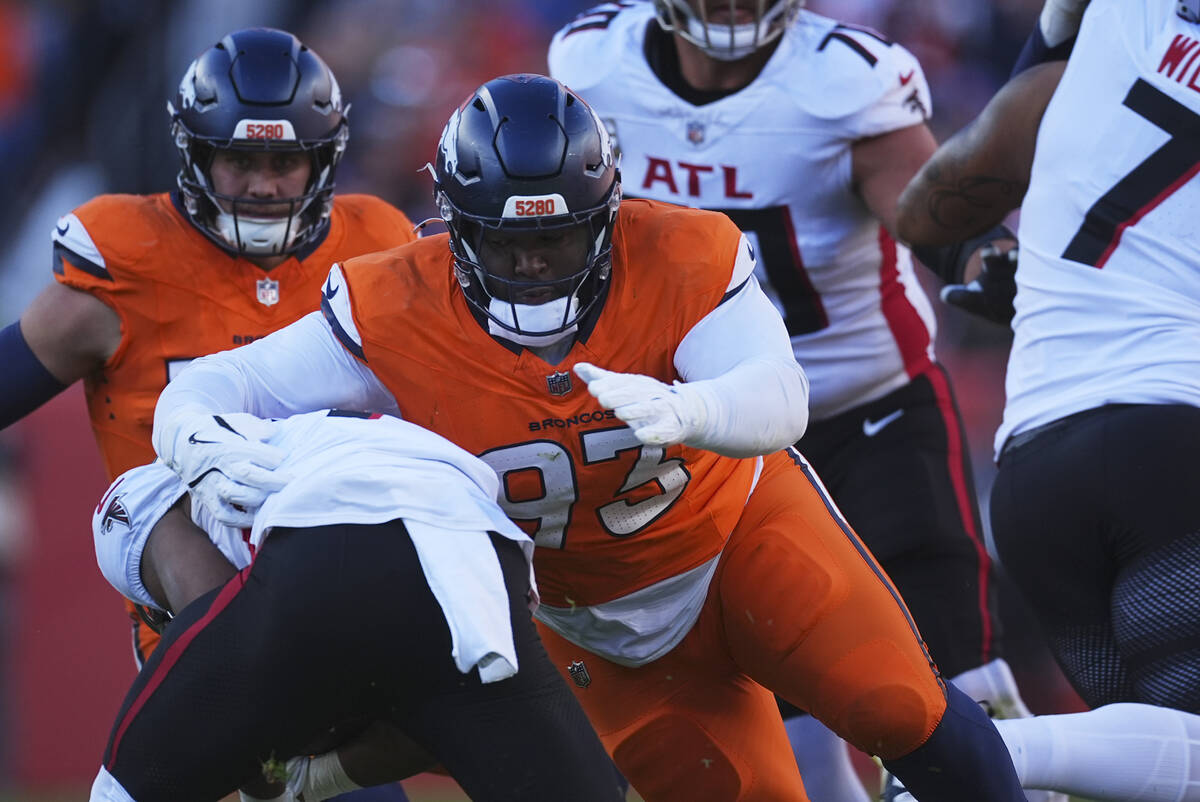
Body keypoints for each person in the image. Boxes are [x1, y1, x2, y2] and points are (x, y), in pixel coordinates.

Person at [149, 72, 1027, 802]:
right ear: (457, 229)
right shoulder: (391, 302)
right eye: (507, 242)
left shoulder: (683, 251)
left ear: (607, 215)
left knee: (898, 706)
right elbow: (222, 383)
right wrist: (195, 437)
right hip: (595, 624)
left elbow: (781, 397)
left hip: (744, 538)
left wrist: (693, 413)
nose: (533, 265)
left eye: (559, 238)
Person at [546, 4, 1040, 800]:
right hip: (714, 431)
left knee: (956, 662)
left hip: (864, 410)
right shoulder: (593, 65)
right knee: (774, 679)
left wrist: (979, 252)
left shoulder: (841, 81)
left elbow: (925, 204)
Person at [0, 26, 417, 672]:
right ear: (195, 154)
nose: (261, 185)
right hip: (192, 591)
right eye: (239, 160)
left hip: (346, 578)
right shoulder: (127, 261)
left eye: (284, 162)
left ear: (323, 159)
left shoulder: (379, 249)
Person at [896, 0, 1200, 792]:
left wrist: (1054, 38)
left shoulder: (1119, 17)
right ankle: (969, 757)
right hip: (1172, 449)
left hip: (1034, 469)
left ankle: (994, 761)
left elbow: (925, 208)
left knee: (1158, 769)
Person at [86, 409, 623, 802]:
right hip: (478, 561)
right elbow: (422, 728)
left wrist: (260, 762)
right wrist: (311, 780)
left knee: (125, 791)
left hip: (338, 539)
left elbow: (228, 645)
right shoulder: (299, 432)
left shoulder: (147, 499)